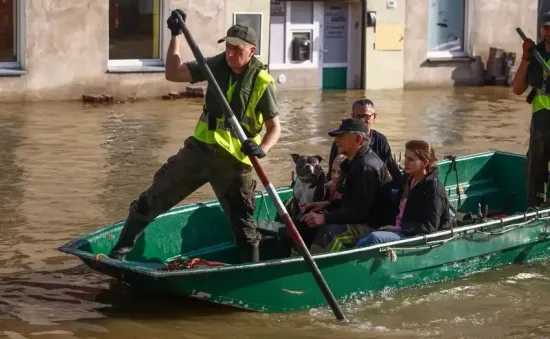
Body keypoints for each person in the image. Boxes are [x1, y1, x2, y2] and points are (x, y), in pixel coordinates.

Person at [108, 10, 282, 263]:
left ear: (252, 50)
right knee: (151, 199)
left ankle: (250, 273)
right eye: (228, 47)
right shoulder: (214, 65)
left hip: (234, 163)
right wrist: (175, 35)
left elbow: (275, 128)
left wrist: (262, 148)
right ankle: (119, 253)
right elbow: (173, 73)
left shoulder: (262, 81)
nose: (231, 53)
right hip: (198, 152)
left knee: (244, 226)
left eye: (237, 49)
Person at [300, 118, 394, 254]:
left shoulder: (365, 166)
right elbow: (353, 201)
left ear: (358, 139)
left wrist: (325, 218)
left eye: (341, 136)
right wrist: (326, 204)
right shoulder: (355, 161)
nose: (336, 140)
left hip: (371, 226)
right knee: (304, 224)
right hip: (359, 219)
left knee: (331, 234)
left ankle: (312, 270)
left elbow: (359, 213)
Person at [356, 140, 454, 247]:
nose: (405, 163)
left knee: (375, 238)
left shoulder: (433, 189)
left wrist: (400, 228)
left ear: (425, 163)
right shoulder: (408, 179)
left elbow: (429, 227)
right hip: (399, 227)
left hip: (414, 235)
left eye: (410, 159)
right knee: (362, 239)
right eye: (405, 158)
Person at [512, 11, 550, 208]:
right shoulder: (536, 54)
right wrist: (526, 57)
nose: (548, 32)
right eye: (546, 27)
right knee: (535, 171)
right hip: (540, 124)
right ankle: (533, 211)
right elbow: (517, 89)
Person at [327, 99, 403, 189]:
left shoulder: (380, 140)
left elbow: (391, 168)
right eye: (357, 116)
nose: (362, 120)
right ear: (352, 116)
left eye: (366, 116)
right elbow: (332, 170)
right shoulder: (342, 141)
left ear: (374, 117)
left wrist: (404, 187)